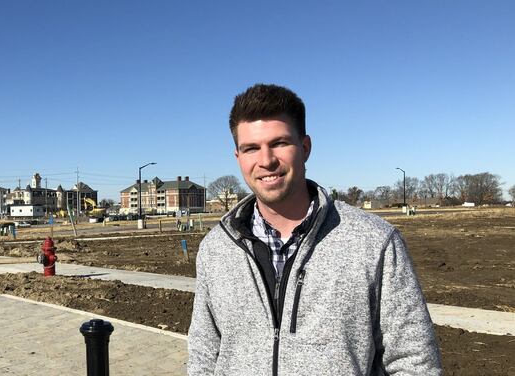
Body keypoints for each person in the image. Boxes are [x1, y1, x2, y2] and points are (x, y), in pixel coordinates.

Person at [188, 84, 441, 375]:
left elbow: (414, 360)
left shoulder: (375, 242)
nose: (266, 160)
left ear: (305, 148)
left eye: (279, 143)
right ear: (238, 158)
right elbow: (204, 353)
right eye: (251, 148)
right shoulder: (216, 248)